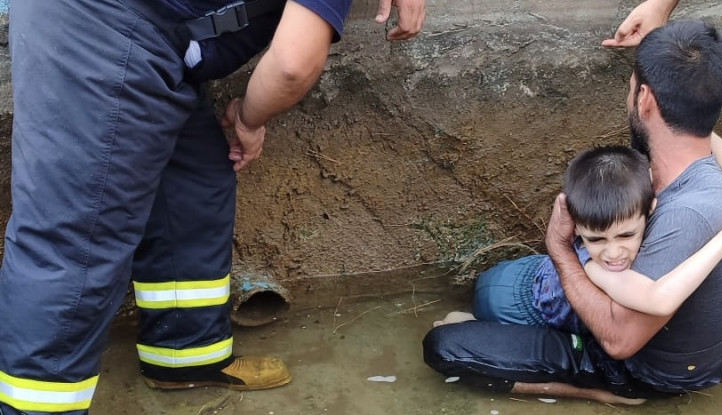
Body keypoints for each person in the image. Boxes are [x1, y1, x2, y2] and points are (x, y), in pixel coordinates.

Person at [0, 0, 424, 413]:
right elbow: (294, 64)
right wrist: (250, 120)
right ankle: (35, 408)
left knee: (192, 183)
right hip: (97, 26)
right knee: (78, 237)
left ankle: (185, 356)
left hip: (155, 37)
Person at [423, 19, 722, 404]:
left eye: (631, 91)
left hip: (642, 369)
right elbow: (688, 114)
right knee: (498, 290)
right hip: (678, 335)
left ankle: (606, 391)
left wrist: (558, 247)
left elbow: (619, 341)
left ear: (644, 100)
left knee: (445, 345)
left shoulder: (685, 216)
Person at [434, 145, 722, 333]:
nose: (613, 253)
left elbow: (702, 142)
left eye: (626, 235)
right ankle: (463, 322)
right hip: (512, 305)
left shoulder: (638, 187)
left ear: (652, 205)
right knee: (469, 327)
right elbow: (658, 301)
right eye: (596, 239)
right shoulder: (598, 270)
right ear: (576, 229)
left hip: (529, 271)